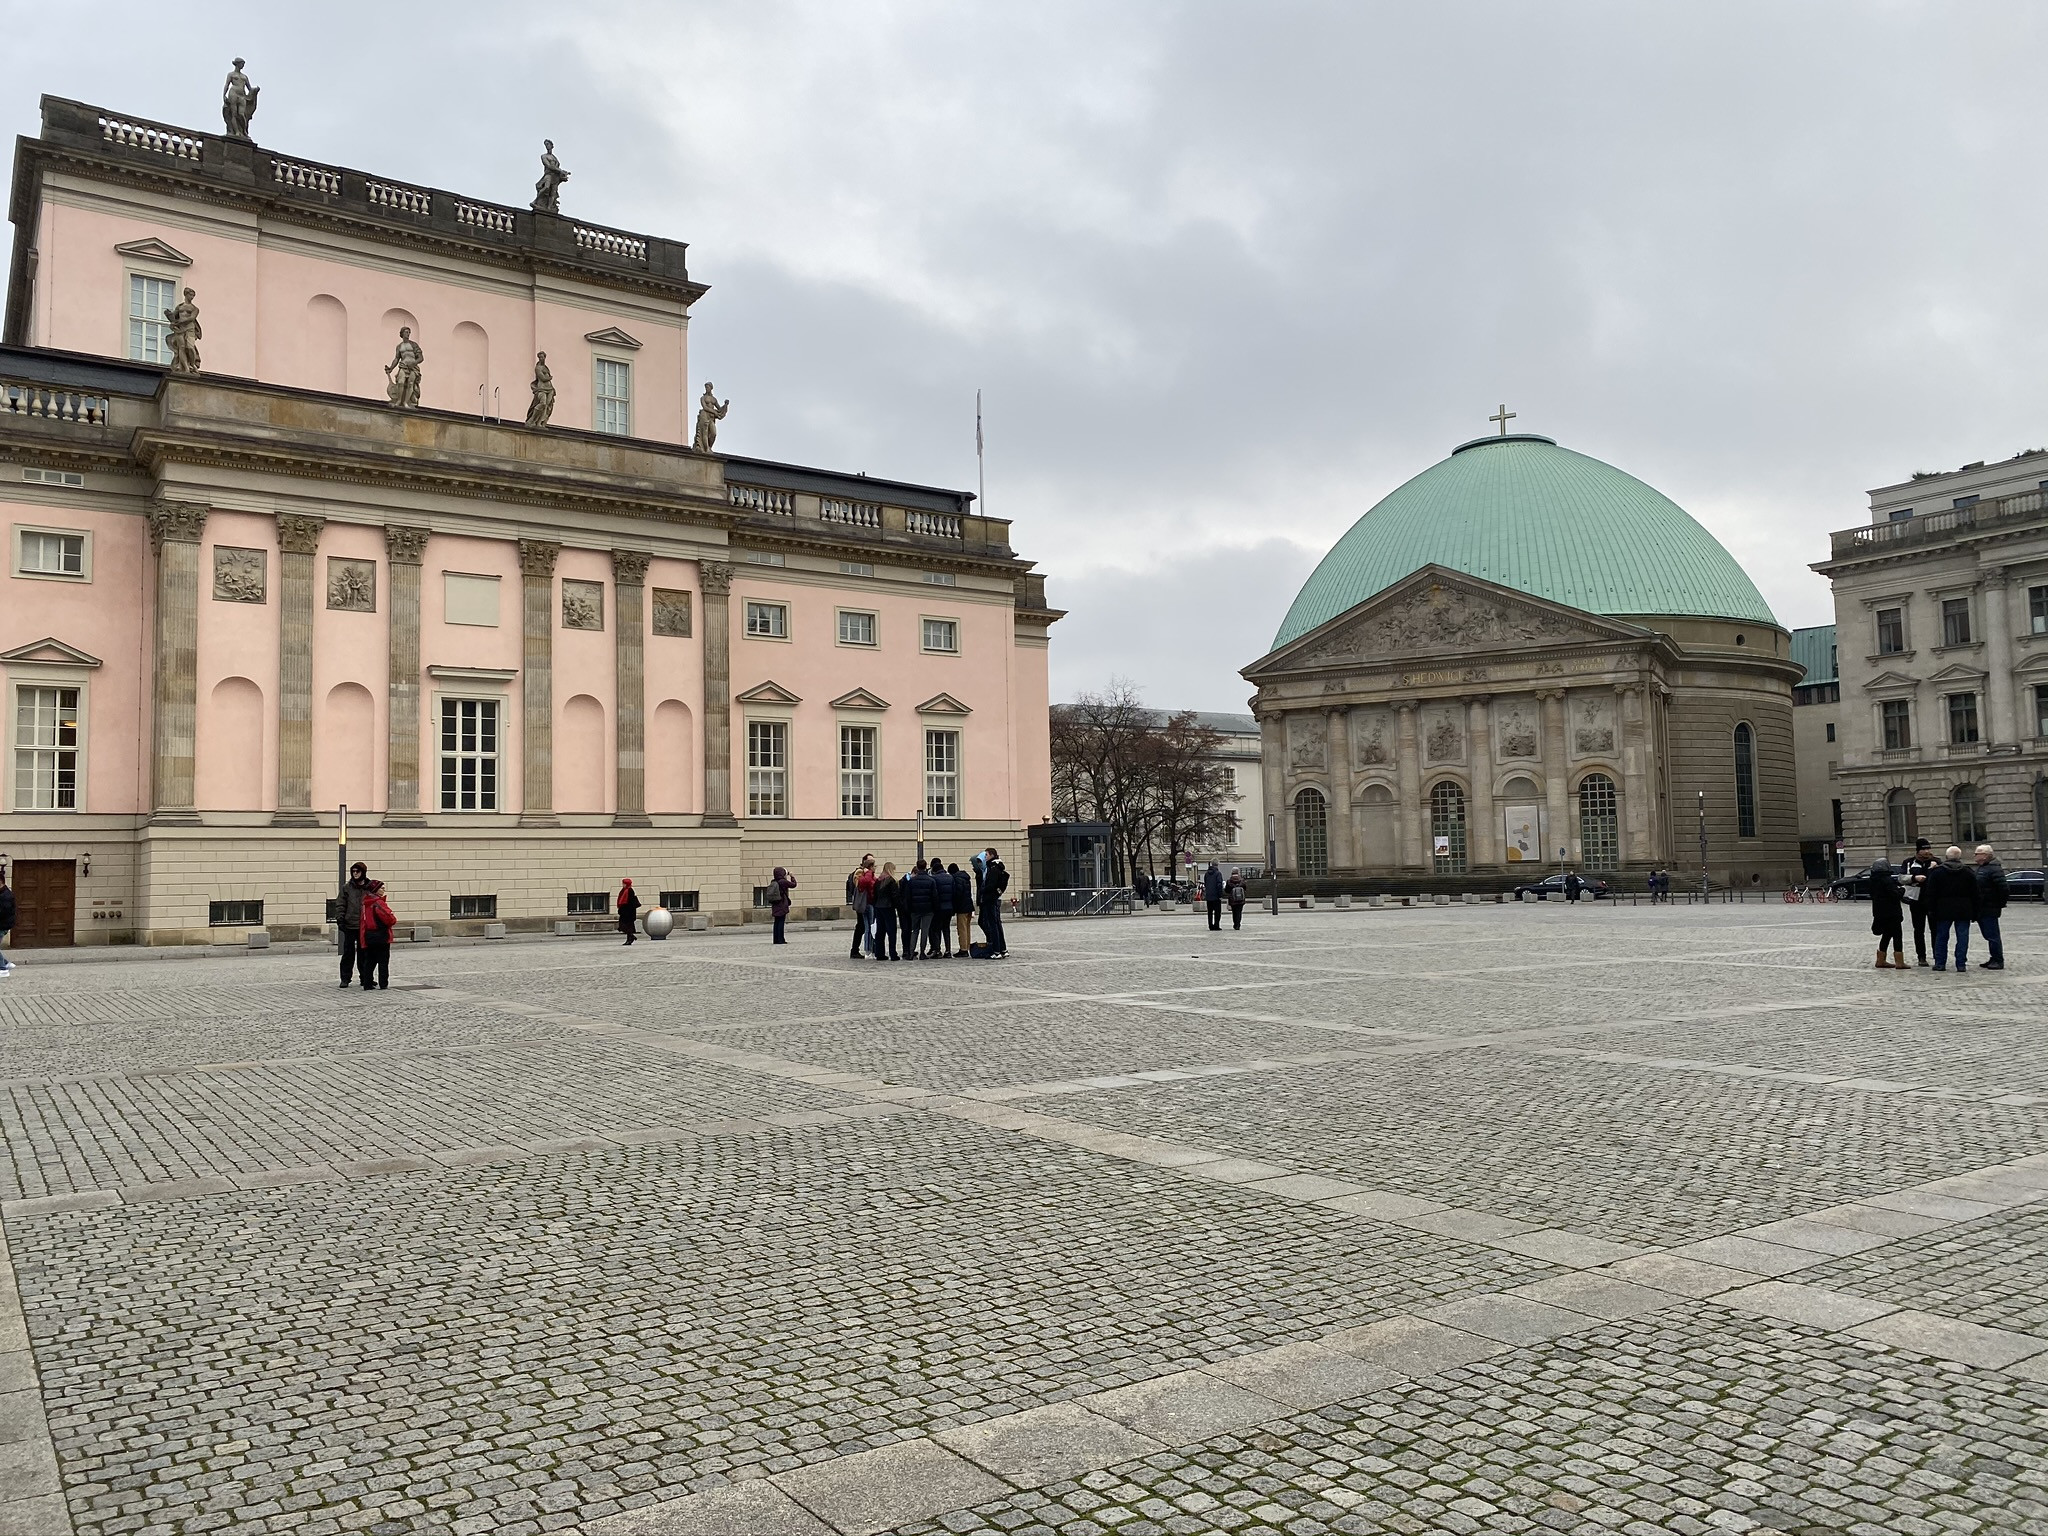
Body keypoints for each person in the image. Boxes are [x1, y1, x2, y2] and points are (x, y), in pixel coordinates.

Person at [1925, 844, 1977, 972]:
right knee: (1963, 937)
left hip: (1943, 908)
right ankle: (1961, 964)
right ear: (1959, 857)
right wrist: (1975, 911)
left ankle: (1940, 963)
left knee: (1941, 936)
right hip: (1964, 909)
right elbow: (1975, 893)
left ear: (1946, 857)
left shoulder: (1937, 872)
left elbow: (1931, 893)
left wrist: (1931, 909)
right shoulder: (1968, 872)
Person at [1903, 838, 1939, 966]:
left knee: (1935, 929)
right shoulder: (1909, 863)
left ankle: (1938, 955)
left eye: (1928, 848)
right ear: (1918, 850)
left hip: (1933, 900)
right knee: (1918, 930)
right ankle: (1921, 957)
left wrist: (1932, 869)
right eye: (1924, 849)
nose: (1927, 851)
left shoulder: (1936, 862)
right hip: (1916, 900)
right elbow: (1902, 878)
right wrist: (1914, 877)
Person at [1973, 844, 2009, 971]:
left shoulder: (1993, 869)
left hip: (1990, 907)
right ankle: (1993, 958)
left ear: (1985, 855)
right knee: (1988, 934)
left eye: (1977, 853)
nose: (1975, 856)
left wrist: (1999, 904)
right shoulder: (1982, 868)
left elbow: (2003, 889)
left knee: (1993, 935)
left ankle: (1998, 960)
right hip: (1983, 907)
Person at [336, 861, 371, 989]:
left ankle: (365, 977)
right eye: (353, 871)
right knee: (348, 953)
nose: (355, 874)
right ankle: (345, 978)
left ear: (363, 873)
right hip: (350, 924)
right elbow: (341, 904)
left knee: (365, 954)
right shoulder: (347, 887)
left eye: (358, 871)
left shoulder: (369, 886)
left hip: (365, 925)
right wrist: (340, 919)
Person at [357, 879, 395, 991]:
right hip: (381, 935)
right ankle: (383, 983)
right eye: (381, 888)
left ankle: (367, 983)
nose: (384, 890)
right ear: (375, 890)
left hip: (369, 935)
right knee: (383, 961)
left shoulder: (365, 903)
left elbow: (363, 922)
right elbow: (389, 919)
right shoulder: (378, 903)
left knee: (370, 961)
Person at [1869, 858, 1907, 970]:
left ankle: (1880, 959)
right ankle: (1899, 961)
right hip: (1892, 912)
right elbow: (1895, 895)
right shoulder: (1887, 880)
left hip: (1879, 912)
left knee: (1886, 935)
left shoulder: (1873, 880)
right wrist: (1902, 890)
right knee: (1897, 936)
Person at [979, 846, 1010, 957]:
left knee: (993, 925)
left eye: (986, 855)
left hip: (990, 899)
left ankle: (996, 950)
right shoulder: (997, 867)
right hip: (994, 898)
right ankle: (1003, 949)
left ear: (992, 855)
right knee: (997, 924)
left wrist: (983, 889)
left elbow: (991, 884)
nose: (985, 857)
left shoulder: (993, 868)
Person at [904, 859, 937, 958]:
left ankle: (910, 952)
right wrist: (934, 908)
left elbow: (908, 897)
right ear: (926, 866)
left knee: (915, 930)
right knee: (925, 931)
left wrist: (909, 908)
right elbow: (934, 896)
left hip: (915, 909)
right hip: (928, 909)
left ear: (917, 867)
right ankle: (922, 952)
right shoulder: (931, 880)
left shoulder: (912, 881)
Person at [872, 862, 901, 960]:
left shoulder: (879, 880)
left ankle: (879, 953)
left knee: (880, 931)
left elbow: (874, 895)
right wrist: (898, 906)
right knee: (891, 931)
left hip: (879, 907)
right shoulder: (892, 880)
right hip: (888, 907)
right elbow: (895, 896)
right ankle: (893, 953)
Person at [846, 858, 873, 959]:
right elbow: (861, 886)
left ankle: (856, 950)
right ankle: (856, 950)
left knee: (862, 927)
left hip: (862, 903)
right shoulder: (860, 873)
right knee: (862, 927)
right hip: (862, 904)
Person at [930, 854, 955, 957]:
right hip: (949, 907)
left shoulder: (934, 879)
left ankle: (937, 949)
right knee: (946, 929)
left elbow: (934, 895)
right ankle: (948, 950)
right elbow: (954, 893)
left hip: (939, 908)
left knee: (936, 929)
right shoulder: (950, 878)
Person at [950, 862, 974, 956]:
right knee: (967, 928)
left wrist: (954, 904)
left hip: (962, 907)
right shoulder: (965, 877)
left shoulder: (957, 879)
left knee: (962, 928)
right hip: (968, 905)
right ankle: (967, 946)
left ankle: (963, 949)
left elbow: (958, 894)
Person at [769, 867, 796, 944]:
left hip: (775, 904)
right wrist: (792, 877)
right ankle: (781, 939)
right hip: (782, 904)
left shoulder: (773, 881)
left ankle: (776, 939)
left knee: (776, 922)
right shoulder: (783, 882)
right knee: (781, 922)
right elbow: (793, 885)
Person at [617, 877, 641, 945]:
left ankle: (630, 939)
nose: (622, 885)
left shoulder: (629, 891)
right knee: (624, 926)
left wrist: (624, 910)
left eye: (623, 883)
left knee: (627, 926)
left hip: (628, 912)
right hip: (625, 912)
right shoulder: (624, 890)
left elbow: (629, 902)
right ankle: (631, 937)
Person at [0, 867, 14, 976]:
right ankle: (6, 963)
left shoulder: (6, 896)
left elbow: (2, 912)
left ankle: (3, 968)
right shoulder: (3, 894)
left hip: (2, 925)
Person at [1203, 861, 1225, 931]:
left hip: (1208, 896)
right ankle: (1216, 925)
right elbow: (1219, 885)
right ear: (1217, 865)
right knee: (1217, 912)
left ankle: (1210, 925)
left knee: (1209, 912)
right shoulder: (1218, 873)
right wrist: (1220, 895)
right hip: (1216, 896)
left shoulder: (1206, 874)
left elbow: (1205, 884)